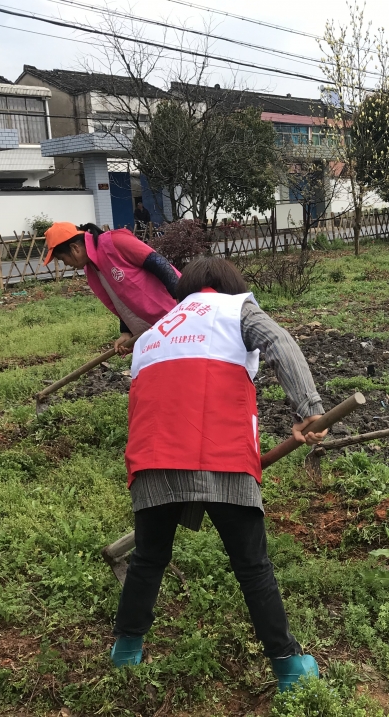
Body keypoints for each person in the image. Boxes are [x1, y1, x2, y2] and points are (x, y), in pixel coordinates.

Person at [110, 256, 326, 693]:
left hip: (152, 456)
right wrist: (310, 411)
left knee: (148, 558)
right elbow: (280, 344)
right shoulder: (235, 309)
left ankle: (126, 651)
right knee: (252, 566)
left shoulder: (152, 333)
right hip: (222, 452)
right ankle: (287, 668)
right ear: (229, 284)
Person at [43, 222, 178, 354]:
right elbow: (121, 299)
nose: (65, 264)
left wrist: (182, 301)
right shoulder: (91, 270)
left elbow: (158, 262)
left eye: (62, 259)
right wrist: (126, 331)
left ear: (74, 248)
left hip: (175, 316)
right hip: (154, 329)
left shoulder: (115, 242)